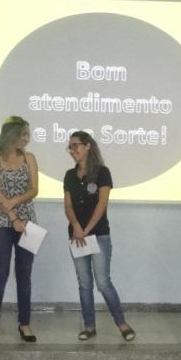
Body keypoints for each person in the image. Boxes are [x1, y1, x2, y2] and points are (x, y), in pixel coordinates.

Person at [63, 131, 135, 342]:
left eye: (76, 145)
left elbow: (102, 204)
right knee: (84, 283)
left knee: (103, 282)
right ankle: (89, 326)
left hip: (98, 235)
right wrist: (76, 226)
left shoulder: (102, 172)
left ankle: (121, 323)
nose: (72, 150)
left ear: (88, 146)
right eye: (70, 147)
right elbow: (68, 205)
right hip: (76, 236)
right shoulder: (69, 175)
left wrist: (86, 230)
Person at [0, 116, 39, 343]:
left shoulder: (30, 158)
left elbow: (34, 189)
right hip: (0, 224)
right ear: (10, 134)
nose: (26, 139)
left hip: (30, 224)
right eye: (22, 134)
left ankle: (24, 324)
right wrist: (14, 217)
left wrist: (15, 204)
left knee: (25, 275)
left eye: (28, 134)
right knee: (0, 273)